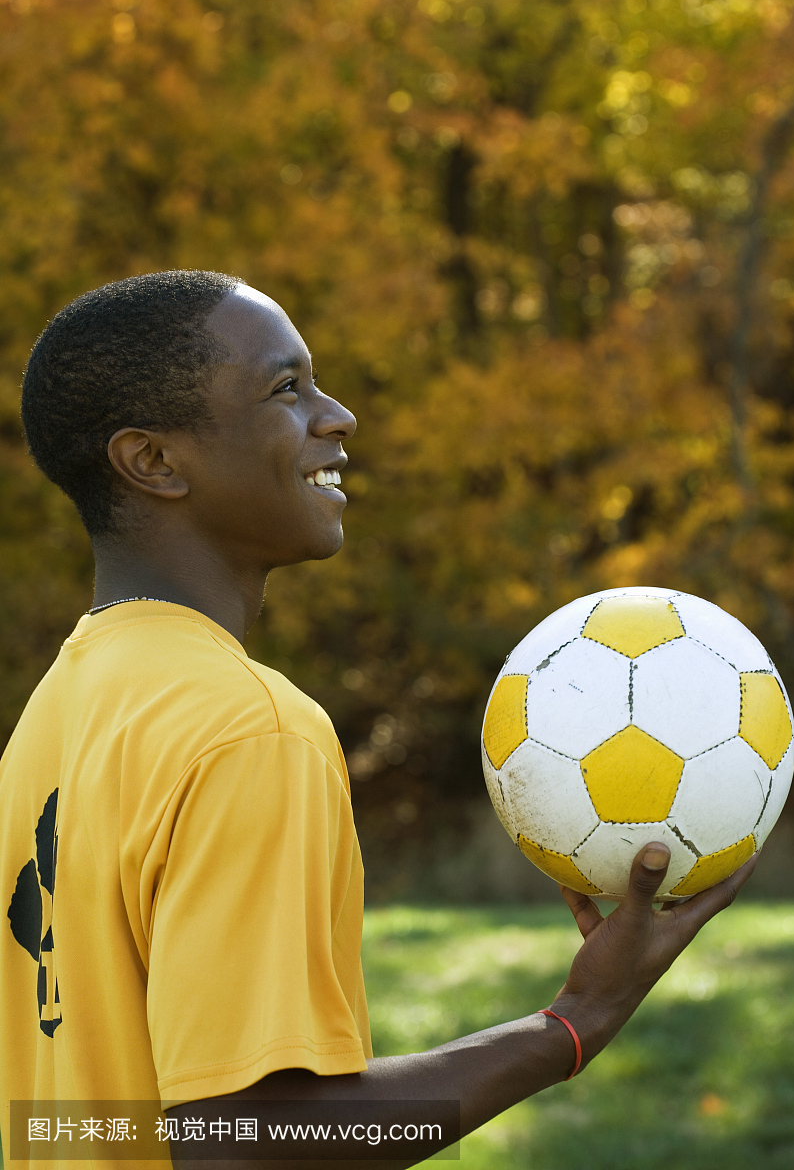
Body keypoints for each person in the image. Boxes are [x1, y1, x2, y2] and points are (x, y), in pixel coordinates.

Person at [1, 271, 755, 1169]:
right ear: (154, 461)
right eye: (287, 389)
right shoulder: (251, 729)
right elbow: (244, 1144)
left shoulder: (54, 714)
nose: (339, 416)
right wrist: (575, 1022)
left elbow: (85, 1123)